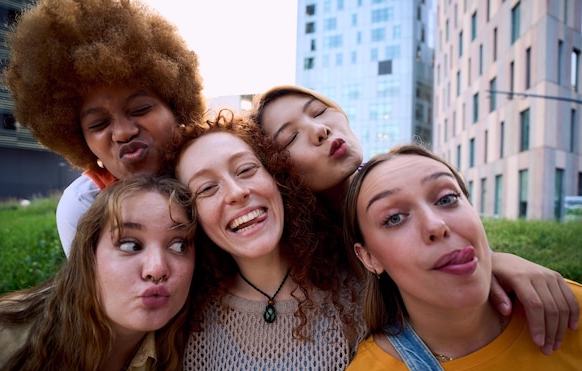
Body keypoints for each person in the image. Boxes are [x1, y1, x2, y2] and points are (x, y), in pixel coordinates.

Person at [248, 84, 579, 355]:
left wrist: (494, 262)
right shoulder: (297, 264)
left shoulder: (405, 174)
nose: (319, 130)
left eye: (319, 112)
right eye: (290, 137)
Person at [341, 144, 582, 371]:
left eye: (446, 199)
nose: (436, 225)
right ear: (370, 258)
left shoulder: (566, 307)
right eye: (394, 218)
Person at [165, 110, 363, 371]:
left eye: (246, 170)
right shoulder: (184, 327)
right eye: (206, 188)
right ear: (191, 217)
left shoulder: (357, 300)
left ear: (277, 177)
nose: (236, 193)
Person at [0, 176, 197, 371]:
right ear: (87, 257)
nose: (156, 269)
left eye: (178, 246)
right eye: (130, 245)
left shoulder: (188, 360)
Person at [1, 0, 205, 255]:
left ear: (176, 106)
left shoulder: (217, 170)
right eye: (99, 124)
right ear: (78, 139)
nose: (123, 133)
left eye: (140, 109)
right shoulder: (84, 205)